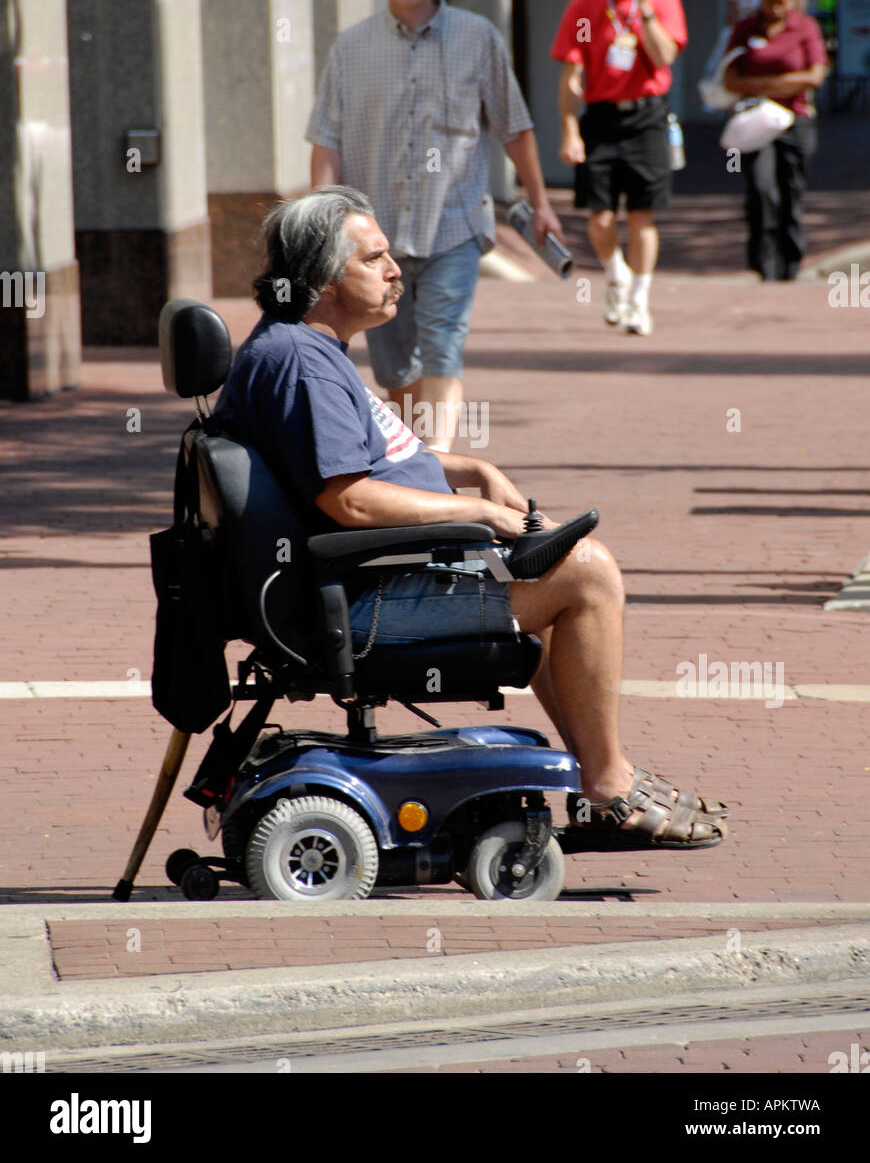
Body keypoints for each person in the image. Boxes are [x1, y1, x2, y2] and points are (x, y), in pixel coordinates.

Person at [214, 186, 728, 847]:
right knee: (589, 576)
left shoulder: (304, 347)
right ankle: (609, 788)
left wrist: (471, 469)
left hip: (368, 578)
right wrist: (477, 512)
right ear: (322, 279)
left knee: (552, 582)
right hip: (364, 600)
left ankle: (604, 779)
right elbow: (350, 500)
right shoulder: (302, 366)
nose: (396, 270)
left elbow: (378, 461)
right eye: (375, 260)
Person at [305, 0, 561, 453]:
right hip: (378, 241)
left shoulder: (477, 37)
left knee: (444, 346)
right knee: (396, 368)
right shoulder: (351, 49)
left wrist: (540, 202)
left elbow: (514, 126)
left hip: (454, 226)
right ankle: (413, 455)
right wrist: (322, 223)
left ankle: (438, 461)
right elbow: (327, 140)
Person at [551, 0, 687, 337]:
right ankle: (616, 273)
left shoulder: (663, 0)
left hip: (647, 117)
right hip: (602, 117)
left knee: (643, 214)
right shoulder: (586, 6)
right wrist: (570, 129)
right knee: (600, 214)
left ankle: (640, 300)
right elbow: (571, 74)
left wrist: (645, 10)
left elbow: (664, 58)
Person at [723, 0, 828, 281]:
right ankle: (763, 264)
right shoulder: (746, 27)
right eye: (771, 1)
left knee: (791, 190)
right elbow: (730, 77)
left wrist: (761, 83)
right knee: (760, 188)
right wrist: (780, 85)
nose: (777, 8)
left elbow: (815, 75)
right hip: (756, 121)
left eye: (783, 1)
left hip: (795, 120)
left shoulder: (805, 27)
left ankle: (790, 263)